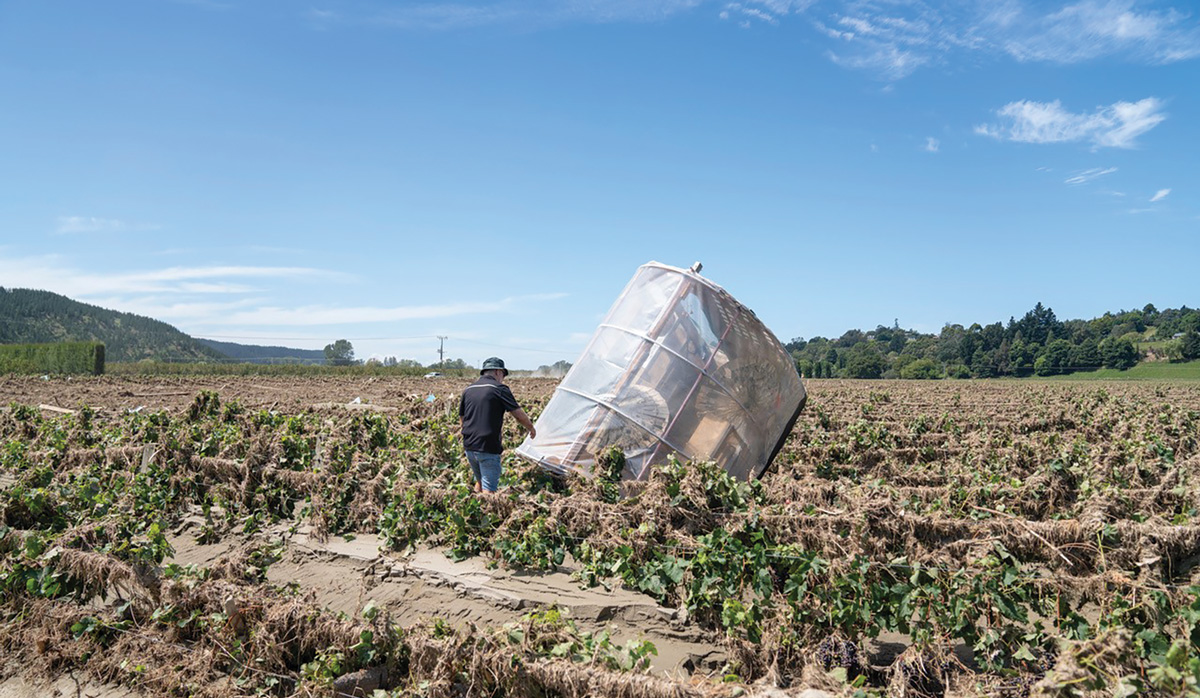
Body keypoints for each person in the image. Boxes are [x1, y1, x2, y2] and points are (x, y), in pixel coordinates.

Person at [459, 357, 536, 493]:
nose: (503, 378)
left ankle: (475, 508)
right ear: (497, 372)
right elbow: (517, 414)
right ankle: (487, 512)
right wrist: (530, 427)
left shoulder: (468, 390)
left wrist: (467, 435)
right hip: (488, 446)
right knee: (489, 491)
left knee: (480, 481)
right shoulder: (499, 389)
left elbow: (462, 418)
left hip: (469, 446)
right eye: (503, 375)